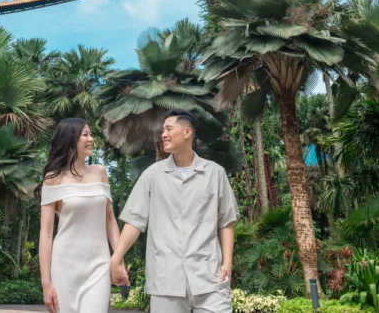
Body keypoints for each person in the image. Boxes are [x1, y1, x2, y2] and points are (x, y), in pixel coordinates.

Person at [111, 110, 238, 313]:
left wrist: (227, 262)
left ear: (187, 132)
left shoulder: (215, 173)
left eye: (169, 129)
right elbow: (135, 221)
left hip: (210, 278)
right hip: (166, 280)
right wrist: (116, 258)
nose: (163, 134)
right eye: (163, 130)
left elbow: (226, 221)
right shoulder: (152, 175)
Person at [38, 118, 120, 313]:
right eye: (85, 134)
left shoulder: (100, 172)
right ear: (70, 139)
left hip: (99, 265)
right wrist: (46, 282)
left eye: (90, 134)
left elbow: (110, 219)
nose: (91, 139)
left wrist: (118, 260)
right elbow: (46, 233)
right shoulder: (53, 179)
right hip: (64, 267)